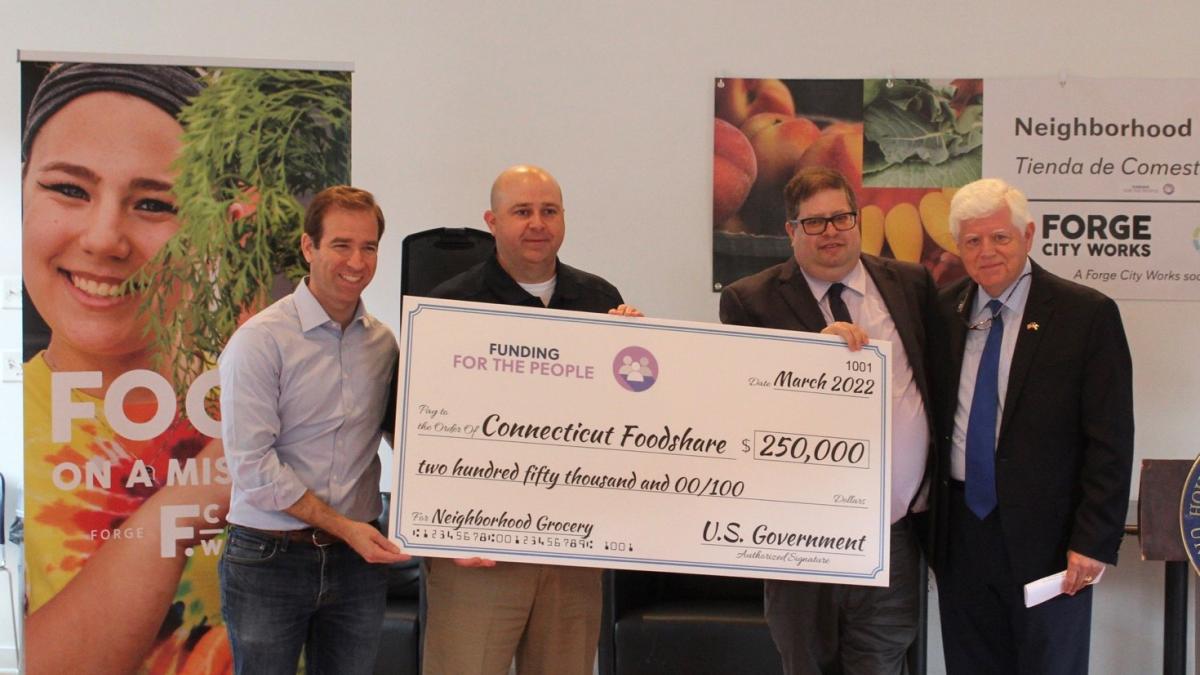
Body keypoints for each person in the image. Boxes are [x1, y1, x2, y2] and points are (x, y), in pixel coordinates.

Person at [20, 62, 238, 675]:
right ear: (19, 190)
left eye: (153, 203)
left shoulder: (258, 394)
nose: (104, 238)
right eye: (68, 189)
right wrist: (200, 491)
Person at [420, 164, 641, 675]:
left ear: (564, 218)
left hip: (572, 549)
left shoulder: (600, 301)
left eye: (549, 211)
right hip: (478, 553)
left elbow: (625, 422)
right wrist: (446, 525)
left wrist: (641, 355)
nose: (537, 223)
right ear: (491, 221)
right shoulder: (449, 306)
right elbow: (413, 427)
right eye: (522, 212)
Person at [720, 167, 938, 675]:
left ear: (857, 220)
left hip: (893, 532)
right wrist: (809, 361)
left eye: (841, 217)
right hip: (797, 535)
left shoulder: (911, 283)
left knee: (882, 662)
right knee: (806, 663)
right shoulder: (750, 300)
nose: (831, 232)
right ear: (790, 231)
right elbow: (741, 408)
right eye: (814, 223)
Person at [931, 178, 1133, 674]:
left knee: (1051, 665)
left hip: (1051, 540)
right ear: (958, 247)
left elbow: (1110, 439)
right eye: (973, 241)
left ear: (1029, 235)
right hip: (961, 533)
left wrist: (1094, 539)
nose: (987, 251)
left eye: (1000, 237)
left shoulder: (1085, 314)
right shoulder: (941, 310)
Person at [218, 186, 409, 674]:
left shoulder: (383, 344)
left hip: (356, 564)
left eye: (369, 247)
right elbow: (254, 467)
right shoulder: (260, 341)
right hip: (269, 558)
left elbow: (410, 437)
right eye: (341, 245)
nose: (357, 261)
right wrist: (348, 528)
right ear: (309, 247)